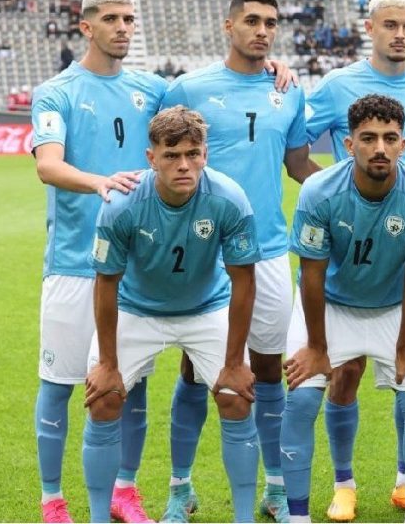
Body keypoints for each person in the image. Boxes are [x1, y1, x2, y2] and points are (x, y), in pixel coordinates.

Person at [158, 0, 318, 524]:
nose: (262, 30)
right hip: (203, 250)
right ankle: (180, 488)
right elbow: (162, 159)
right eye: (251, 20)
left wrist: (346, 192)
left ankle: (276, 488)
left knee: (268, 370)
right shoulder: (190, 88)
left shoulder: (287, 91)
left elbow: (298, 164)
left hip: (267, 250)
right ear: (229, 26)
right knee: (194, 369)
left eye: (270, 22)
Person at [303, 0, 405, 521]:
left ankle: (403, 481)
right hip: (350, 248)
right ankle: (343, 484)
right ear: (369, 28)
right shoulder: (336, 84)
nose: (400, 35)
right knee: (344, 372)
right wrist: (338, 204)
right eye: (390, 25)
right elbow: (294, 147)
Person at [84, 106, 262, 523]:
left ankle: (244, 517)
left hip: (205, 308)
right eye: (171, 155)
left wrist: (234, 363)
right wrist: (108, 363)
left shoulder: (229, 198)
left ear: (205, 154)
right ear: (152, 158)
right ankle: (97, 516)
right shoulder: (122, 204)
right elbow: (106, 284)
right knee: (103, 399)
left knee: (236, 398)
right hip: (137, 309)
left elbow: (244, 282)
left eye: (193, 154)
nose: (184, 165)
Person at [31, 0, 166, 524]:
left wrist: (273, 68)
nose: (123, 28)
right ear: (86, 27)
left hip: (135, 266)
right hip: (74, 264)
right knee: (59, 385)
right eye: (111, 19)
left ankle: (123, 492)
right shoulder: (57, 92)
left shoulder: (152, 89)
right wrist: (99, 182)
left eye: (129, 18)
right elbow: (48, 165)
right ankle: (52, 500)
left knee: (132, 385)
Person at [281, 94, 405, 524]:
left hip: (394, 307)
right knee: (302, 399)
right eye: (368, 138)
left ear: (403, 145)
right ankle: (330, 496)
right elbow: (312, 273)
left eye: (390, 138)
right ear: (349, 144)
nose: (380, 148)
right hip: (331, 304)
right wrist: (317, 347)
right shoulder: (320, 191)